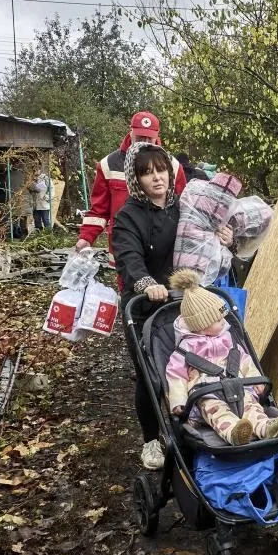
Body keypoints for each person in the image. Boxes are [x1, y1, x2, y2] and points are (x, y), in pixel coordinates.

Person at [111, 142, 234, 469]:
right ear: (135, 179)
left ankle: (199, 426)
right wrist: (146, 283)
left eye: (161, 169)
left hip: (185, 305)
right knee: (151, 377)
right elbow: (128, 259)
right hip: (145, 307)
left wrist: (222, 235)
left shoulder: (185, 208)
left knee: (197, 368)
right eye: (146, 172)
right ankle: (152, 440)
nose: (156, 178)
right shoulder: (128, 217)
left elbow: (202, 235)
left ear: (170, 171)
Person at [165, 268, 278, 445]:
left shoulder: (228, 339)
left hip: (238, 387)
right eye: (218, 320)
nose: (224, 321)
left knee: (251, 407)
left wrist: (256, 381)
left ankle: (267, 427)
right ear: (202, 325)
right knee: (218, 412)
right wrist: (178, 400)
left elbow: (245, 360)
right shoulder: (185, 349)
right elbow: (176, 376)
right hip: (207, 393)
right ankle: (234, 432)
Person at [75, 112, 188, 257]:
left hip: (162, 249)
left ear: (157, 137)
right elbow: (99, 210)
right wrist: (86, 237)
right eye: (140, 137)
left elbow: (184, 208)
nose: (145, 142)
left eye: (149, 138)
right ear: (131, 133)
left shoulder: (173, 166)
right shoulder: (108, 164)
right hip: (124, 246)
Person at [27, 161, 52, 230]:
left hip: (44, 204)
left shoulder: (46, 178)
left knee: (46, 220)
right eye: (34, 170)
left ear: (40, 170)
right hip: (35, 204)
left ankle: (49, 235)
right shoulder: (31, 179)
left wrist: (47, 197)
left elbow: (51, 189)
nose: (35, 171)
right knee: (37, 221)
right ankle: (39, 236)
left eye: (36, 170)